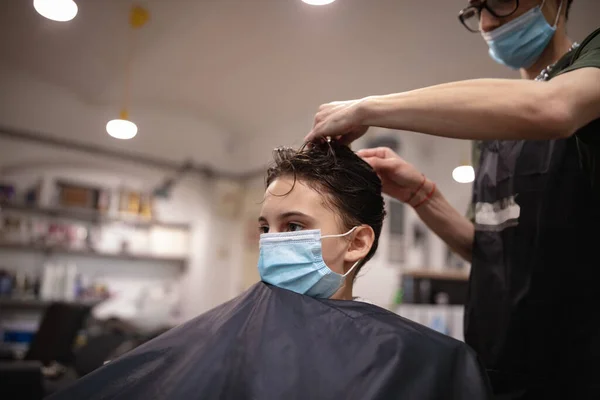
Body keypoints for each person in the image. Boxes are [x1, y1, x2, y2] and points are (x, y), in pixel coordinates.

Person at [305, 0, 600, 399]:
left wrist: (367, 108)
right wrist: (419, 195)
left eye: (499, 3)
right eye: (476, 10)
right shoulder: (493, 130)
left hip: (580, 368)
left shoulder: (589, 66)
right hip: (499, 364)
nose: (486, 22)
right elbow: (487, 248)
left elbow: (554, 107)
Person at [47, 141, 493, 400]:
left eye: (294, 226)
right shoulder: (229, 329)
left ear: (357, 242)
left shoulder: (417, 358)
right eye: (266, 227)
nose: (272, 241)